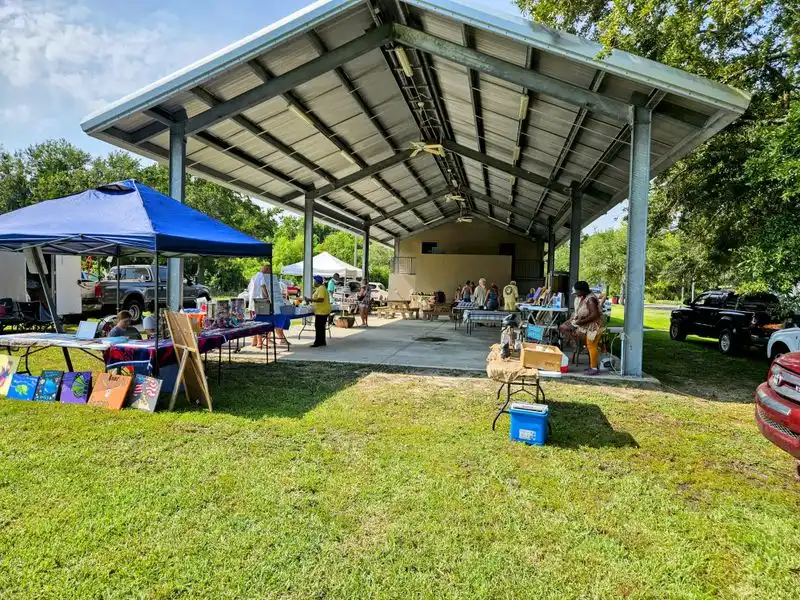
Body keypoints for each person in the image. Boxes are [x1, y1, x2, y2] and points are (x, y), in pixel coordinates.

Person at [560, 281, 605, 375]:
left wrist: (581, 322)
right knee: (590, 345)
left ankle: (594, 368)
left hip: (595, 326)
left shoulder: (591, 299)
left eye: (577, 291)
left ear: (582, 290)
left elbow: (595, 315)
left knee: (591, 345)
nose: (576, 294)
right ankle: (592, 365)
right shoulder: (584, 297)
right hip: (589, 325)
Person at [247, 264, 273, 349]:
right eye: (270, 271)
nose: (270, 273)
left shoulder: (254, 276)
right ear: (267, 270)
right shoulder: (263, 276)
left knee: (255, 322)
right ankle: (259, 343)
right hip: (260, 303)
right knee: (260, 322)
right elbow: (263, 286)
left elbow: (249, 289)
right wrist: (268, 297)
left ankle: (254, 341)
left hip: (253, 303)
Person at [307, 275, 331, 347]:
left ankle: (318, 342)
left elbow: (321, 299)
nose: (313, 283)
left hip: (321, 311)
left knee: (318, 326)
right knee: (321, 327)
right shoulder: (320, 288)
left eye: (314, 281)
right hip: (321, 310)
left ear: (317, 282)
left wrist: (310, 299)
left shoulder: (321, 288)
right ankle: (322, 341)